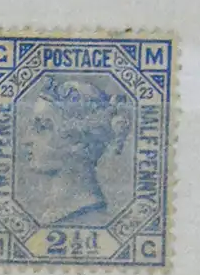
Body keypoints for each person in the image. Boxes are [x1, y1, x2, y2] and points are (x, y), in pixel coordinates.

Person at [18, 74, 133, 228]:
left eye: (42, 128)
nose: (26, 140)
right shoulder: (56, 213)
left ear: (78, 142)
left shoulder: (86, 217)